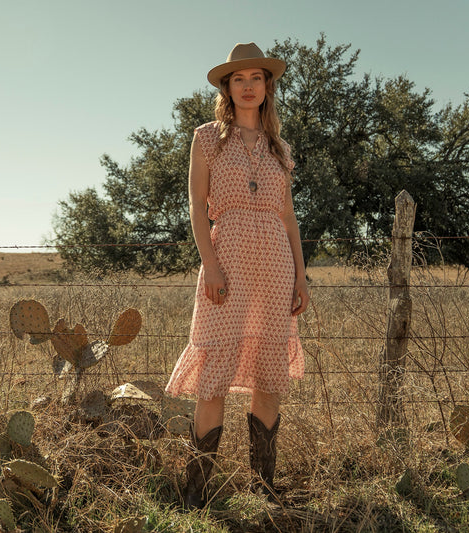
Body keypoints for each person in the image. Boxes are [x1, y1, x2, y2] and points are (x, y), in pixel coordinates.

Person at [165, 42, 309, 509]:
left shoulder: (279, 149)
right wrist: (210, 263)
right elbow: (196, 206)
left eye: (257, 79)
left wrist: (301, 277)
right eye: (239, 79)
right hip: (225, 264)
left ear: (268, 88)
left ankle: (264, 490)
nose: (248, 87)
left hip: (274, 271)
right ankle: (195, 494)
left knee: (268, 380)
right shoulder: (207, 138)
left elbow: (288, 218)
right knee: (214, 377)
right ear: (227, 88)